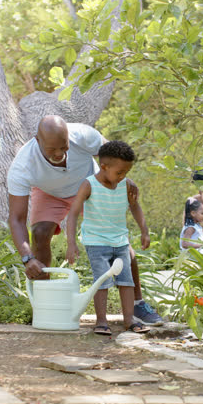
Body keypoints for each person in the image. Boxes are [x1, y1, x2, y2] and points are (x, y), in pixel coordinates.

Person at [7, 115, 163, 325]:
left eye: (64, 147)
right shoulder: (23, 165)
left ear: (69, 138)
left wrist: (122, 179)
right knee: (40, 233)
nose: (60, 154)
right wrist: (27, 258)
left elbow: (114, 157)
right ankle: (45, 306)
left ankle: (138, 303)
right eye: (52, 150)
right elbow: (16, 219)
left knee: (117, 241)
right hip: (49, 192)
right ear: (37, 141)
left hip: (89, 185)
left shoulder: (83, 135)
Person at [66, 140, 151, 335]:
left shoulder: (126, 184)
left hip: (120, 241)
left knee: (127, 281)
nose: (122, 177)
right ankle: (101, 321)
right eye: (119, 172)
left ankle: (129, 319)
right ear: (104, 166)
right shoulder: (89, 185)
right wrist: (71, 243)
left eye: (126, 173)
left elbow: (135, 207)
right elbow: (72, 214)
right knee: (102, 281)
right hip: (96, 242)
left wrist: (144, 230)